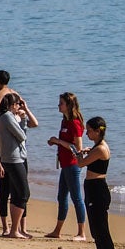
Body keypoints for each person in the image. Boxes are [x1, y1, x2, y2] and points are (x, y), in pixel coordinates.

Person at [78, 116, 117, 249]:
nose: (87, 133)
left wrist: (78, 153)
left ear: (96, 131)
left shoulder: (101, 148)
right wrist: (87, 151)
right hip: (92, 188)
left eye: (89, 130)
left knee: (102, 231)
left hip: (98, 189)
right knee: (95, 230)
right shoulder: (96, 147)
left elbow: (80, 164)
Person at [45, 92, 87, 241]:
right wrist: (55, 142)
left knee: (76, 198)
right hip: (64, 164)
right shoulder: (65, 121)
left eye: (61, 103)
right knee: (61, 196)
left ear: (69, 105)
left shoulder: (75, 122)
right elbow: (64, 142)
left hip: (73, 164)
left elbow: (78, 147)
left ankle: (82, 233)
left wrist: (58, 141)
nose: (58, 105)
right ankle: (57, 230)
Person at [0, 92, 37, 238]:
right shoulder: (7, 116)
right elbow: (22, 136)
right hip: (13, 159)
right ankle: (14, 230)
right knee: (24, 193)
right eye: (18, 104)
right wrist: (23, 119)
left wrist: (20, 118)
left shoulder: (5, 117)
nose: (19, 106)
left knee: (17, 194)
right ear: (12, 105)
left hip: (12, 158)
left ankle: (15, 230)